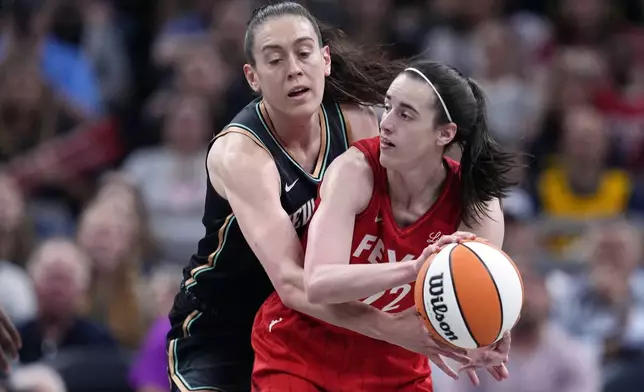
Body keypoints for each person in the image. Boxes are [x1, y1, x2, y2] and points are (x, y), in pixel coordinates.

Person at [167, 3, 475, 392]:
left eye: (304, 52)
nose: (293, 68)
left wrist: (481, 319)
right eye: (274, 59)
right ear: (253, 77)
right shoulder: (241, 155)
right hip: (223, 325)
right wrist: (390, 327)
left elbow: (422, 201)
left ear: (325, 59)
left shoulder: (358, 122)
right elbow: (295, 283)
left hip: (312, 323)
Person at [252, 60, 518, 391]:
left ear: (444, 133)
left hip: (395, 363)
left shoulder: (478, 204)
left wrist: (489, 330)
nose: (385, 123)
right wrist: (413, 270)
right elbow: (318, 282)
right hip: (301, 349)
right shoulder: (354, 170)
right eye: (388, 107)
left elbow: (469, 293)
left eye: (405, 115)